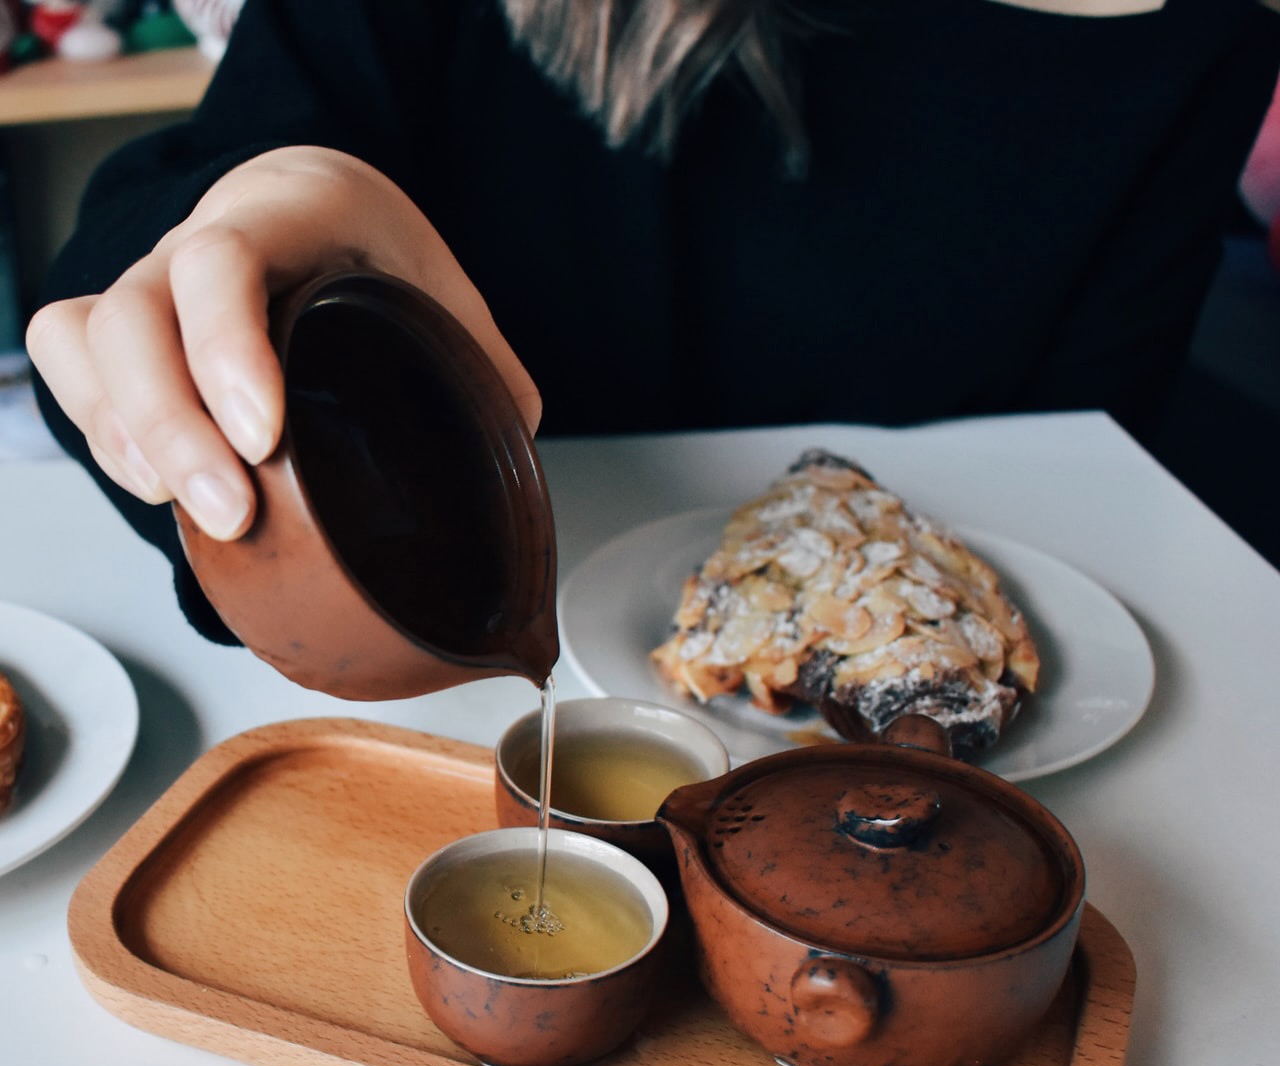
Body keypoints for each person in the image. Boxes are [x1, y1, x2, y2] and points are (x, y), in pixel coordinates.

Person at [27, 0, 1280, 642]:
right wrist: (240, 236)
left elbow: (1081, 465)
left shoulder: (1188, 40)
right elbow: (147, 249)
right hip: (434, 692)